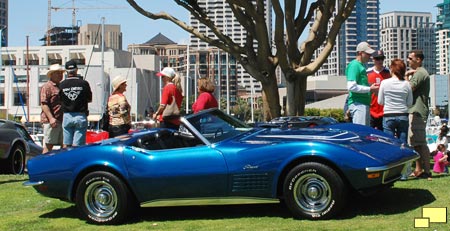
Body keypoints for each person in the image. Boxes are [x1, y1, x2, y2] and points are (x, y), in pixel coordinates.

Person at [377, 59, 413, 180]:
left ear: (392, 69)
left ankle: (391, 172)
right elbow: (410, 102)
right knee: (403, 144)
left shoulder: (385, 83)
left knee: (389, 145)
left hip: (388, 115)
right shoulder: (406, 84)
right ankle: (404, 173)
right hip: (403, 114)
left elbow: (380, 101)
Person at [406, 50, 432, 180]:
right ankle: (419, 169)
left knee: (420, 142)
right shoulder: (420, 73)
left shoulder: (420, 73)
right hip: (416, 110)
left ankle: (426, 171)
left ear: (419, 60)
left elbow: (408, 88)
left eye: (410, 58)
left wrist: (405, 76)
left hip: (417, 111)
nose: (408, 60)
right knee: (416, 142)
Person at [59, 59, 92, 148]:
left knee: (66, 144)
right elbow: (89, 99)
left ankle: (66, 160)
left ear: (66, 71)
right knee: (78, 146)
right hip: (80, 115)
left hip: (67, 115)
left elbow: (60, 99)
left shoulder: (61, 85)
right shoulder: (84, 83)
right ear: (76, 70)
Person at [346, 41, 379, 126]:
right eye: (367, 54)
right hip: (359, 104)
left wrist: (370, 87)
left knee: (364, 134)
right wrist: (370, 89)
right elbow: (351, 87)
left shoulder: (360, 66)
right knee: (361, 134)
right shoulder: (355, 65)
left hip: (362, 104)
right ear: (360, 53)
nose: (370, 56)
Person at [40, 64, 65, 153]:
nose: (60, 75)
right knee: (49, 145)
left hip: (62, 120)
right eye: (57, 73)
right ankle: (42, 165)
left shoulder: (61, 86)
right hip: (51, 121)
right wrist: (51, 118)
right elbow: (44, 104)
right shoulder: (47, 87)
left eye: (61, 73)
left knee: (64, 145)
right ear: (51, 75)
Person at [367, 50, 391, 130]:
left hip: (384, 111)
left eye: (381, 58)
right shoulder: (368, 73)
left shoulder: (388, 73)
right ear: (373, 59)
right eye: (377, 59)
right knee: (369, 135)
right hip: (371, 110)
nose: (380, 61)